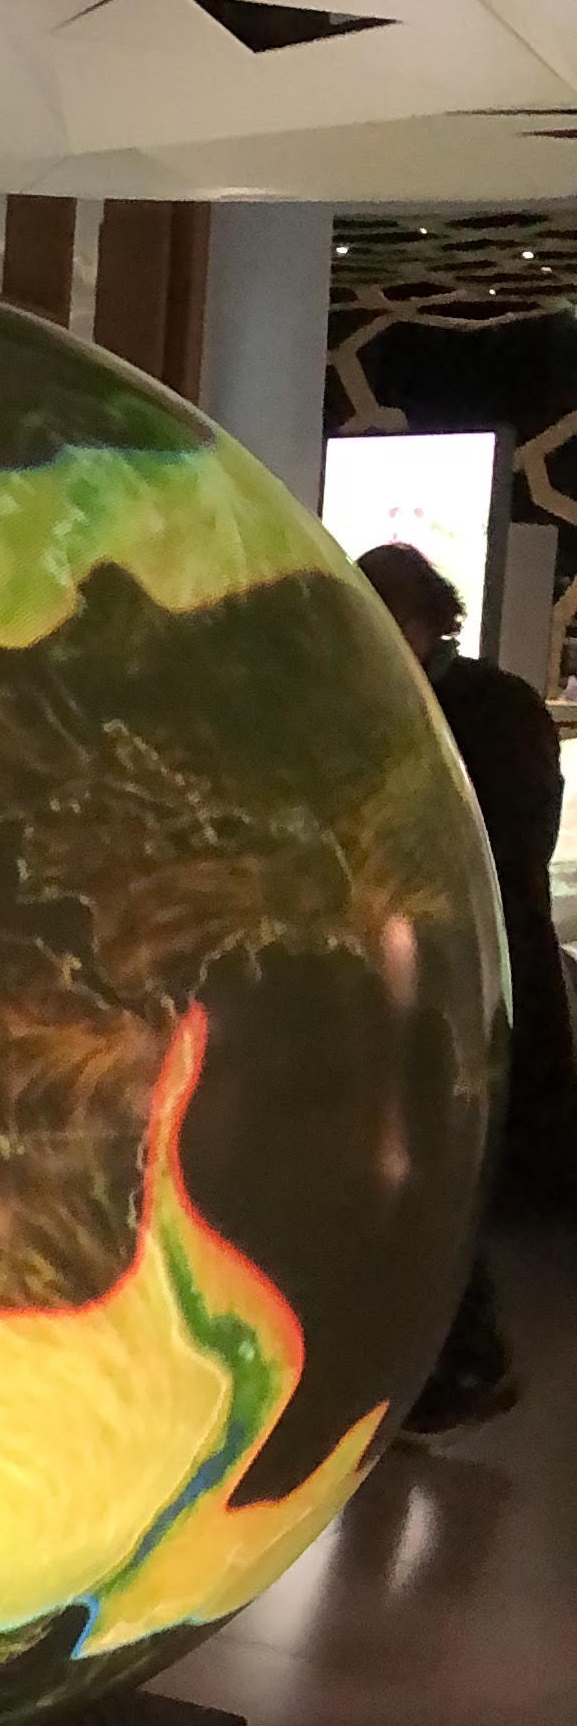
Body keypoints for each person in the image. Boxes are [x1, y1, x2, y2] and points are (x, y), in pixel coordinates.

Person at [358, 540, 577, 1433]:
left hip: (469, 973)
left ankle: (463, 1363)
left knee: (440, 1173)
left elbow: (490, 849)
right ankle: (452, 1365)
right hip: (463, 969)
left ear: (410, 620)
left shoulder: (461, 710)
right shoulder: (496, 704)